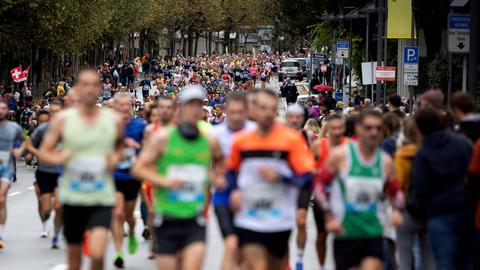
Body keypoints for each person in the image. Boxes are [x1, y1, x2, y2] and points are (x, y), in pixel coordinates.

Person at [37, 68, 123, 270]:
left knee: (97, 251)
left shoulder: (113, 121)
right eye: (84, 84)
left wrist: (114, 159)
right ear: (77, 88)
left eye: (94, 84)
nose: (90, 89)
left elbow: (120, 147)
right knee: (74, 261)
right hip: (73, 196)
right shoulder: (63, 120)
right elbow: (44, 152)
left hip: (102, 196)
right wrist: (60, 157)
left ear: (101, 88)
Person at [132, 85, 225, 270]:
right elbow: (139, 168)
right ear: (180, 108)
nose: (194, 109)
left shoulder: (210, 139)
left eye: (198, 105)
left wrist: (217, 177)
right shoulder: (163, 138)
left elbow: (222, 164)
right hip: (167, 217)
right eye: (190, 104)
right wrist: (163, 181)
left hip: (195, 217)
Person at [228, 88, 315, 270]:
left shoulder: (291, 140)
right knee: (257, 266)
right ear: (253, 109)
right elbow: (230, 172)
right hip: (249, 217)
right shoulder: (241, 141)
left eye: (271, 108)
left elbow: (307, 178)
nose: (267, 113)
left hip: (279, 218)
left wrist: (282, 177)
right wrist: (233, 190)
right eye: (262, 108)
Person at [313, 109, 404, 270]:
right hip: (346, 231)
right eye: (368, 128)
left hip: (373, 231)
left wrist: (397, 210)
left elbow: (397, 193)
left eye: (378, 128)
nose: (374, 132)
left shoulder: (385, 161)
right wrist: (328, 216)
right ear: (358, 129)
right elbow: (319, 186)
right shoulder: (340, 156)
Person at [411, 107, 474, 270]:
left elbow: (420, 187)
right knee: (467, 261)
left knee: (443, 263)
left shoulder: (423, 153)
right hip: (466, 208)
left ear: (419, 128)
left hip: (439, 212)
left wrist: (426, 209)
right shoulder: (462, 144)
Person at [211, 92, 256, 270]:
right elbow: (207, 163)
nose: (236, 116)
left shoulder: (255, 131)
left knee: (246, 250)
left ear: (246, 111)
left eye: (240, 112)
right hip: (223, 195)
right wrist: (215, 177)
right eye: (233, 112)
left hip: (250, 196)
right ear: (225, 111)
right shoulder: (215, 134)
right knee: (231, 245)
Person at [111, 93, 147, 268]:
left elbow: (149, 150)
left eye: (128, 105)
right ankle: (119, 253)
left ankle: (132, 230)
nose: (125, 108)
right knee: (117, 214)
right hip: (113, 176)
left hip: (132, 176)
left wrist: (137, 146)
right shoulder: (107, 126)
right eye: (121, 105)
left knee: (127, 216)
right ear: (115, 107)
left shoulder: (140, 126)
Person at [394, 117, 434, 270]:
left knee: (404, 256)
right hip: (430, 209)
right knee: (428, 257)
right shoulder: (432, 152)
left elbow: (398, 183)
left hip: (407, 209)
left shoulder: (403, 154)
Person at [25, 100, 64, 249]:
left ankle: (56, 235)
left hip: (62, 173)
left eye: (58, 112)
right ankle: (46, 222)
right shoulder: (43, 130)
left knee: (59, 207)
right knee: (46, 209)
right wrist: (30, 154)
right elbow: (31, 144)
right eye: (52, 112)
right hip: (45, 172)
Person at [311, 113, 347, 270]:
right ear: (327, 129)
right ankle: (322, 266)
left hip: (344, 197)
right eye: (334, 128)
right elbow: (309, 169)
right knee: (321, 236)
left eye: (340, 128)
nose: (337, 132)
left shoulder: (350, 145)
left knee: (344, 235)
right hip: (322, 197)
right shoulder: (319, 146)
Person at [0, 101, 25, 249]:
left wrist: (20, 151)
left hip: (6, 167)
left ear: (7, 111)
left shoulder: (14, 127)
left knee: (1, 198)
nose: (1, 111)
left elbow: (25, 142)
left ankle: (0, 234)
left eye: (3, 108)